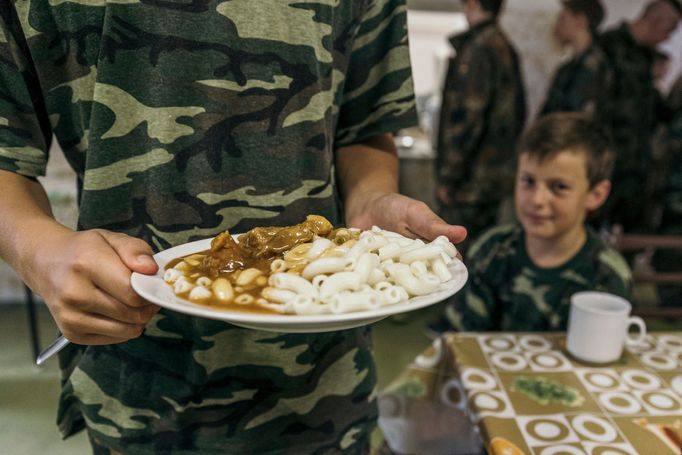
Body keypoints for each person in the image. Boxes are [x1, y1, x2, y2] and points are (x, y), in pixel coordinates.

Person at [0, 2, 466, 454]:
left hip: (324, 381)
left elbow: (364, 123)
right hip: (138, 384)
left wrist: (370, 200)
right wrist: (39, 250)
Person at [441, 113, 631, 332]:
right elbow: (460, 340)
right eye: (528, 181)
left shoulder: (608, 275)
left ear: (596, 194)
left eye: (559, 186)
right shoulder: (490, 250)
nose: (537, 200)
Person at [435, 0, 527, 253]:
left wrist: (449, 177)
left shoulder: (478, 48)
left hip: (469, 183)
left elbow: (465, 120)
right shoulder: (504, 46)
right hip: (494, 177)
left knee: (453, 255)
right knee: (483, 251)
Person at [598, 0, 682, 233]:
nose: (667, 39)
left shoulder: (646, 59)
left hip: (635, 173)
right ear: (656, 22)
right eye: (669, 31)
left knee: (633, 241)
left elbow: (656, 113)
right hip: (605, 165)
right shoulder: (607, 47)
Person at [540, 0, 613, 121]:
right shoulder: (569, 67)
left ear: (580, 21)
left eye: (562, 18)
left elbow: (574, 120)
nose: (557, 25)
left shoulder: (594, 68)